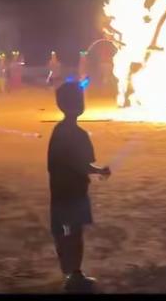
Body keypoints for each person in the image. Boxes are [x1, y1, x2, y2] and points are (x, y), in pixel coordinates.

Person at [48, 81, 111, 292]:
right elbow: (82, 165)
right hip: (75, 194)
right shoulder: (80, 135)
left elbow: (57, 163)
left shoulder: (57, 131)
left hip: (58, 192)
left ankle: (68, 270)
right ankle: (75, 273)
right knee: (75, 233)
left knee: (63, 233)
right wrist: (99, 170)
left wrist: (93, 169)